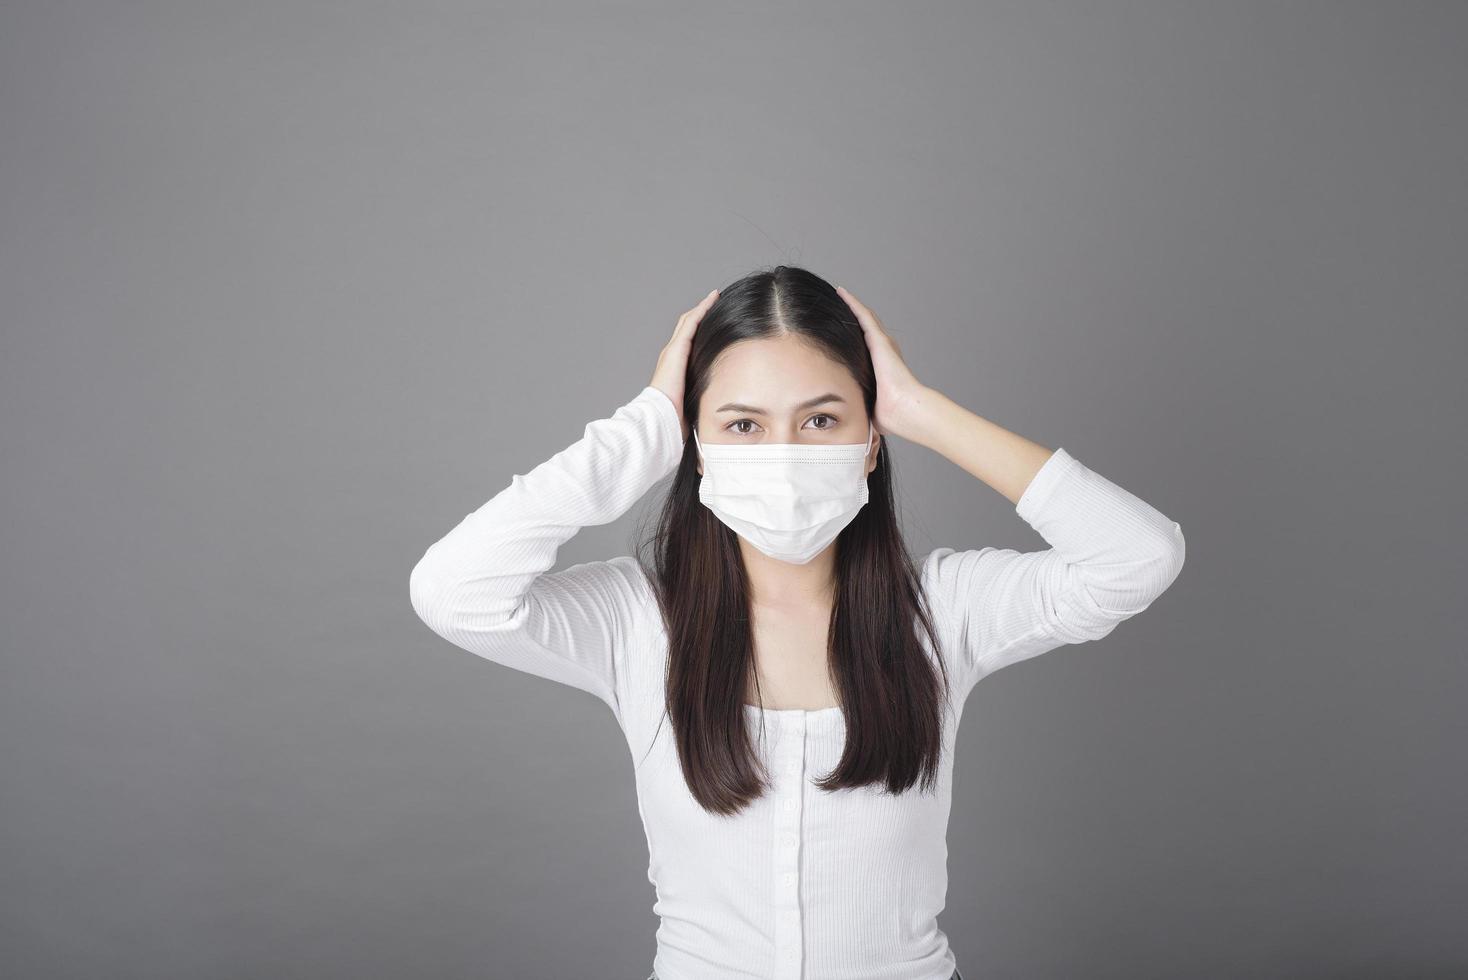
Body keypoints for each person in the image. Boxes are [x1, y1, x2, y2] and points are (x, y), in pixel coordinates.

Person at [408, 266, 1186, 980]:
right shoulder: (636, 619)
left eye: (820, 421)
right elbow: (453, 592)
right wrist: (640, 431)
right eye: (744, 426)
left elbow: (1137, 557)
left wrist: (924, 410)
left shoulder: (945, 611)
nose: (782, 454)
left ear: (870, 439)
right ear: (698, 447)